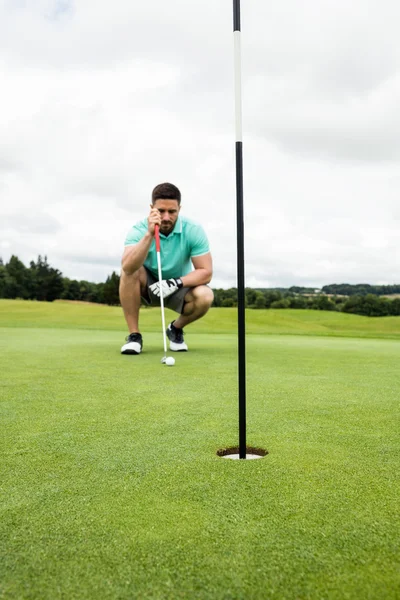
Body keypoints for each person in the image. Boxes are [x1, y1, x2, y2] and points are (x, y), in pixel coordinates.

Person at [119, 182, 214, 355]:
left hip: (179, 287)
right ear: (151, 208)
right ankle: (134, 336)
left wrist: (176, 282)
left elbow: (206, 272)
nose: (166, 217)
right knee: (129, 272)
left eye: (172, 211)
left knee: (206, 296)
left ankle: (175, 329)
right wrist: (149, 235)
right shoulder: (139, 229)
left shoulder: (193, 230)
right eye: (161, 211)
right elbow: (127, 267)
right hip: (147, 285)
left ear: (179, 208)